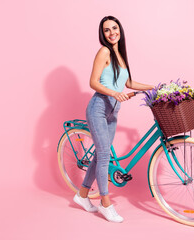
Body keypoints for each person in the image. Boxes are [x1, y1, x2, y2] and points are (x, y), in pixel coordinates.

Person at [73, 16, 154, 223]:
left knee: (100, 155)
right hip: (99, 107)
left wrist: (153, 87)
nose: (111, 33)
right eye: (107, 30)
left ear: (120, 30)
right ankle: (105, 204)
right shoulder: (105, 51)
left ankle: (82, 195)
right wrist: (113, 93)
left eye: (114, 28)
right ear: (103, 34)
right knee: (104, 155)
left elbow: (127, 82)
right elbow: (93, 82)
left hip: (113, 111)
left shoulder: (120, 53)